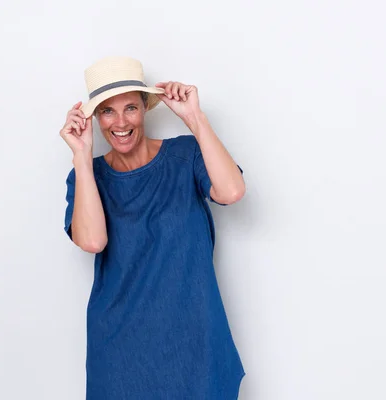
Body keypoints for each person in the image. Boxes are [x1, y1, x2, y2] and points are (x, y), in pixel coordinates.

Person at [60, 56, 246, 399]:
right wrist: (82, 158)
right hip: (121, 351)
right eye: (107, 111)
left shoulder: (185, 155)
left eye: (130, 108)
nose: (120, 122)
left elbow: (231, 191)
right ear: (95, 118)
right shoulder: (87, 177)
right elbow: (93, 241)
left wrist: (195, 118)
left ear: (145, 109)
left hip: (194, 341)